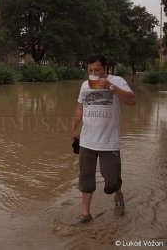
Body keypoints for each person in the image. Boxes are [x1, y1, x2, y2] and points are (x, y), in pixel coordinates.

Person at [71, 54, 136, 224]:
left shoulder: (117, 80)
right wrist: (74, 127)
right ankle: (86, 214)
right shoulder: (85, 85)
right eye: (90, 70)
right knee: (86, 179)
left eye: (97, 70)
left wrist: (110, 87)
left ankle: (118, 194)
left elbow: (132, 100)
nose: (94, 73)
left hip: (109, 142)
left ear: (105, 68)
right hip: (87, 141)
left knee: (112, 180)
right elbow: (80, 107)